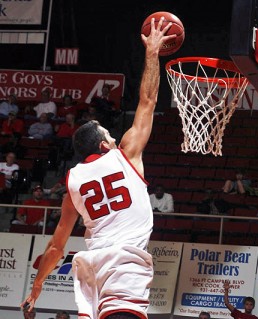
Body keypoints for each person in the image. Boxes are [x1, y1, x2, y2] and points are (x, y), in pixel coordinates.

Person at [20, 18, 176, 319]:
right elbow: (148, 100)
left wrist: (37, 286)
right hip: (124, 265)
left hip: (92, 268)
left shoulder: (73, 182)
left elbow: (55, 246)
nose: (114, 136)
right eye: (108, 133)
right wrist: (153, 53)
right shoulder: (126, 154)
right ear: (104, 145)